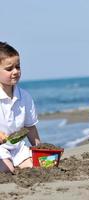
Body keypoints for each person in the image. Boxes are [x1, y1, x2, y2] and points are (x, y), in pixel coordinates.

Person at [0, 41, 41, 173]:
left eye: (18, 67)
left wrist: (39, 148)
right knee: (7, 169)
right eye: (9, 69)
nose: (15, 71)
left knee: (35, 166)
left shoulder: (24, 96)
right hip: (0, 149)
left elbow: (30, 126)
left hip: (17, 147)